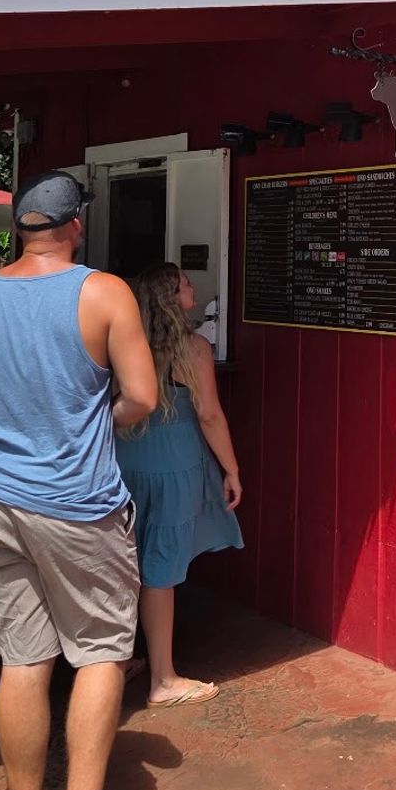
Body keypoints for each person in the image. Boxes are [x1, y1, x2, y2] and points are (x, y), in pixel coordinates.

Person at [0, 170, 158, 790]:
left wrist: (12, 423)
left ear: (20, 229)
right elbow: (141, 397)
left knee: (23, 661)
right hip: (77, 504)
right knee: (101, 653)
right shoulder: (105, 293)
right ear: (76, 225)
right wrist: (78, 426)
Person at [117, 262, 244, 708]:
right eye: (186, 283)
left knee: (123, 562)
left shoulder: (122, 345)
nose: (193, 287)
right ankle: (163, 678)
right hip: (174, 467)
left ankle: (122, 657)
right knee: (160, 572)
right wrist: (231, 469)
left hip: (124, 463)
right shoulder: (193, 348)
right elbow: (210, 415)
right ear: (171, 297)